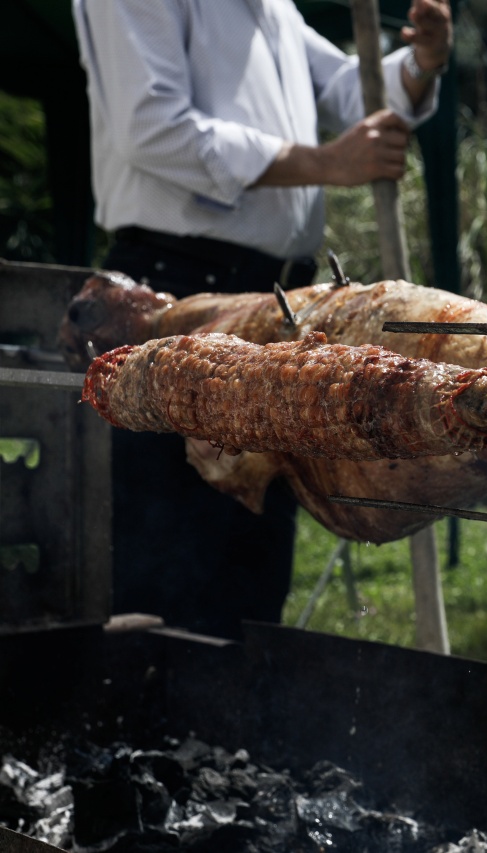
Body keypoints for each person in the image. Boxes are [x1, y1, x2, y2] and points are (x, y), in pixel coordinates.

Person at [72, 0, 452, 640]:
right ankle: (149, 727)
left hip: (272, 296)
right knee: (166, 568)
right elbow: (153, 128)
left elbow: (349, 90)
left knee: (251, 551)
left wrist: (419, 65)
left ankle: (239, 727)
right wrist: (328, 164)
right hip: (176, 288)